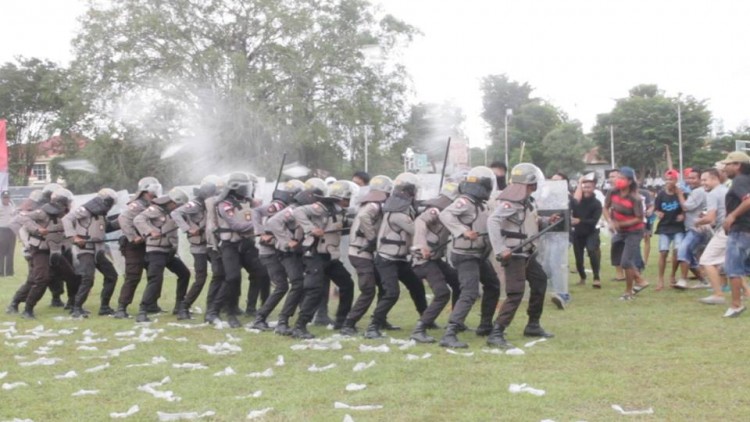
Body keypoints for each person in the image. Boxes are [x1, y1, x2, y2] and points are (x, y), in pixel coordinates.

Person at [486, 163, 558, 349]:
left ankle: (533, 325)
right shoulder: (510, 202)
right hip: (514, 253)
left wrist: (545, 221)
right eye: (533, 184)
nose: (535, 187)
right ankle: (497, 332)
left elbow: (529, 222)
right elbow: (493, 221)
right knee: (515, 293)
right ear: (528, 185)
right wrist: (500, 249)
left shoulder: (527, 201)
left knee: (540, 281)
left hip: (527, 253)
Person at [438, 166, 501, 348]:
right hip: (465, 255)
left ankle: (485, 325)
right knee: (470, 292)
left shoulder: (480, 203)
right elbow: (445, 214)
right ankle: (450, 332)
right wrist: (464, 231)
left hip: (478, 254)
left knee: (493, 285)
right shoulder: (465, 201)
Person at [290, 180, 356, 339]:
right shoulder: (321, 207)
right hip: (315, 255)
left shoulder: (338, 210)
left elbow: (345, 225)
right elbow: (298, 212)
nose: (349, 200)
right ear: (341, 197)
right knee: (315, 290)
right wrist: (311, 229)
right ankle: (299, 326)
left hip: (330, 257)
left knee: (347, 284)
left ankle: (341, 321)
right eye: (348, 196)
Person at [365, 173, 425, 339]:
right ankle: (373, 327)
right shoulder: (398, 214)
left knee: (417, 286)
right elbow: (416, 230)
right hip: (387, 260)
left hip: (399, 259)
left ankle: (426, 319)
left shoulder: (400, 209)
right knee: (391, 293)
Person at [265, 182, 323, 335]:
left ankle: (287, 319)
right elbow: (273, 222)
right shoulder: (292, 209)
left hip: (296, 251)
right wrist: (286, 240)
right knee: (297, 283)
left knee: (300, 284)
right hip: (287, 252)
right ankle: (282, 321)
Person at [340, 175, 393, 336]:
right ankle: (349, 324)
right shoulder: (373, 205)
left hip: (363, 253)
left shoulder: (371, 203)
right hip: (360, 253)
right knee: (368, 290)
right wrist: (372, 238)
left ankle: (380, 319)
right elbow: (364, 217)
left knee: (384, 287)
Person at [409, 182, 461, 343]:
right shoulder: (436, 209)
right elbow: (420, 222)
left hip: (435, 258)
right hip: (424, 259)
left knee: (458, 283)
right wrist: (421, 245)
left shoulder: (445, 208)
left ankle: (456, 321)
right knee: (442, 293)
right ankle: (420, 329)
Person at [206, 173, 260, 328]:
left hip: (246, 243)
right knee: (232, 277)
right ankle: (217, 311)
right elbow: (237, 225)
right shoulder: (224, 204)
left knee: (260, 272)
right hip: (230, 245)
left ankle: (251, 308)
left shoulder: (245, 202)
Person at [250, 179, 304, 330]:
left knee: (294, 283)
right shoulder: (279, 206)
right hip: (270, 251)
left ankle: (278, 318)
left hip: (279, 250)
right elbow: (257, 211)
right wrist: (260, 232)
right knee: (282, 285)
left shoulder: (290, 207)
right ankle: (261, 318)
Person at [18, 189, 79, 319]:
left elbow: (69, 233)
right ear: (61, 204)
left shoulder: (67, 217)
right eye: (66, 204)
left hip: (56, 250)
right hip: (40, 250)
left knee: (72, 276)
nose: (68, 206)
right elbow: (23, 218)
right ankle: (28, 309)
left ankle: (73, 304)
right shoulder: (43, 213)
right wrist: (37, 229)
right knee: (41, 279)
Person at [133, 188, 191, 323]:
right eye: (177, 205)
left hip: (169, 251)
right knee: (155, 279)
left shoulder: (174, 213)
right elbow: (138, 219)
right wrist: (150, 231)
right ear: (172, 202)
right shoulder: (155, 210)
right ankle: (143, 310)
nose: (178, 207)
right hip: (156, 251)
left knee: (184, 274)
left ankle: (179, 306)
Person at [62, 188, 120, 318]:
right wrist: (74, 237)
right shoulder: (84, 210)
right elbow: (66, 219)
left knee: (112, 276)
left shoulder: (100, 214)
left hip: (98, 250)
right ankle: (76, 308)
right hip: (85, 250)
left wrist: (120, 221)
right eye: (110, 204)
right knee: (87, 278)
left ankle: (104, 307)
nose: (110, 207)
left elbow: (106, 228)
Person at [171, 176, 221, 319]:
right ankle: (184, 307)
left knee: (220, 274)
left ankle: (217, 306)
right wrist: (188, 228)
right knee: (201, 278)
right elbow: (176, 213)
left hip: (211, 244)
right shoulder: (196, 204)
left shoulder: (210, 204)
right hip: (199, 246)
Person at [114, 176, 162, 319]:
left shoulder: (151, 204)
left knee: (155, 274)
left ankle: (152, 304)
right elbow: (123, 219)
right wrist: (133, 236)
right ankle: (121, 307)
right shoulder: (137, 204)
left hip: (148, 244)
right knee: (133, 276)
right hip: (134, 246)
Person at [606, 167, 646, 300]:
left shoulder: (635, 198)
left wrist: (619, 224)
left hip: (634, 232)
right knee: (617, 256)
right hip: (620, 232)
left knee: (626, 262)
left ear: (629, 181)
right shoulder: (612, 192)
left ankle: (628, 292)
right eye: (618, 177)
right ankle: (640, 280)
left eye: (622, 178)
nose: (618, 180)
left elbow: (639, 218)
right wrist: (610, 221)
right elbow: (605, 207)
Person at [720, 152, 750, 317]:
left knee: (734, 268)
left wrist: (732, 216)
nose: (725, 168)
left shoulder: (739, 181)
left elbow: (748, 200)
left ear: (738, 165)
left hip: (741, 231)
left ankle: (736, 304)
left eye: (728, 164)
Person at [697, 168, 730, 304]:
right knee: (733, 263)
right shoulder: (726, 190)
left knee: (706, 260)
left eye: (705, 180)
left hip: (724, 231)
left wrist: (697, 221)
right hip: (736, 229)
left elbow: (710, 218)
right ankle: (746, 292)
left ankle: (718, 294)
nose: (702, 183)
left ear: (714, 178)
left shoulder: (713, 194)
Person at [674, 167, 707, 289]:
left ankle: (683, 280)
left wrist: (679, 194)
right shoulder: (695, 191)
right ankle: (704, 281)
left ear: (700, 179)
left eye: (693, 178)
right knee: (690, 255)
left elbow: (686, 207)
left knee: (683, 250)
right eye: (689, 178)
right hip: (691, 227)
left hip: (696, 228)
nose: (690, 180)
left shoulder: (699, 192)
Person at [653, 169, 685, 290]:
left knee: (677, 251)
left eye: (671, 179)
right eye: (666, 179)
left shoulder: (681, 193)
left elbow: (686, 207)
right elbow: (656, 208)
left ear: (676, 181)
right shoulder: (661, 194)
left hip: (677, 227)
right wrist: (658, 213)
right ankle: (660, 279)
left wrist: (683, 215)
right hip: (664, 227)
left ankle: (672, 275)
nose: (668, 182)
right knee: (663, 252)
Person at [571, 175, 603, 288]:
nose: (586, 189)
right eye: (584, 187)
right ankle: (582, 277)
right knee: (578, 257)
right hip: (578, 233)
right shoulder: (576, 202)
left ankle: (596, 277)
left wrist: (580, 220)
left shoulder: (597, 204)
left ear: (594, 188)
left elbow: (594, 221)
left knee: (592, 251)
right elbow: (571, 205)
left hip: (591, 231)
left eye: (589, 187)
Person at [0, 190, 17, 276]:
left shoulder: (12, 206)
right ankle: (1, 272)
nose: (6, 199)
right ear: (2, 198)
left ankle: (10, 272)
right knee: (1, 252)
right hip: (2, 230)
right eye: (4, 198)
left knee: (10, 252)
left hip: (11, 231)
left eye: (7, 197)